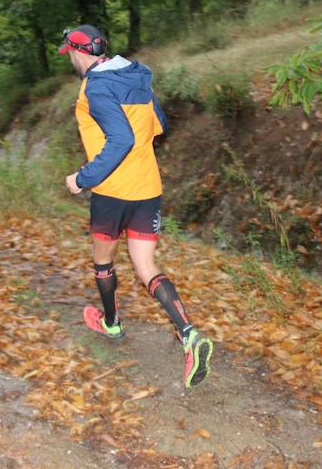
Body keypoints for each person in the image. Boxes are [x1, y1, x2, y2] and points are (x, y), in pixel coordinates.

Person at [59, 24, 213, 389]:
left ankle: (111, 322)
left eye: (72, 55)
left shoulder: (94, 87)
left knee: (103, 261)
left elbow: (122, 139)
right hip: (147, 188)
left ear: (80, 53)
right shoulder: (137, 75)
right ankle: (190, 334)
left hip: (112, 192)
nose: (73, 62)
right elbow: (159, 123)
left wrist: (82, 178)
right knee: (146, 266)